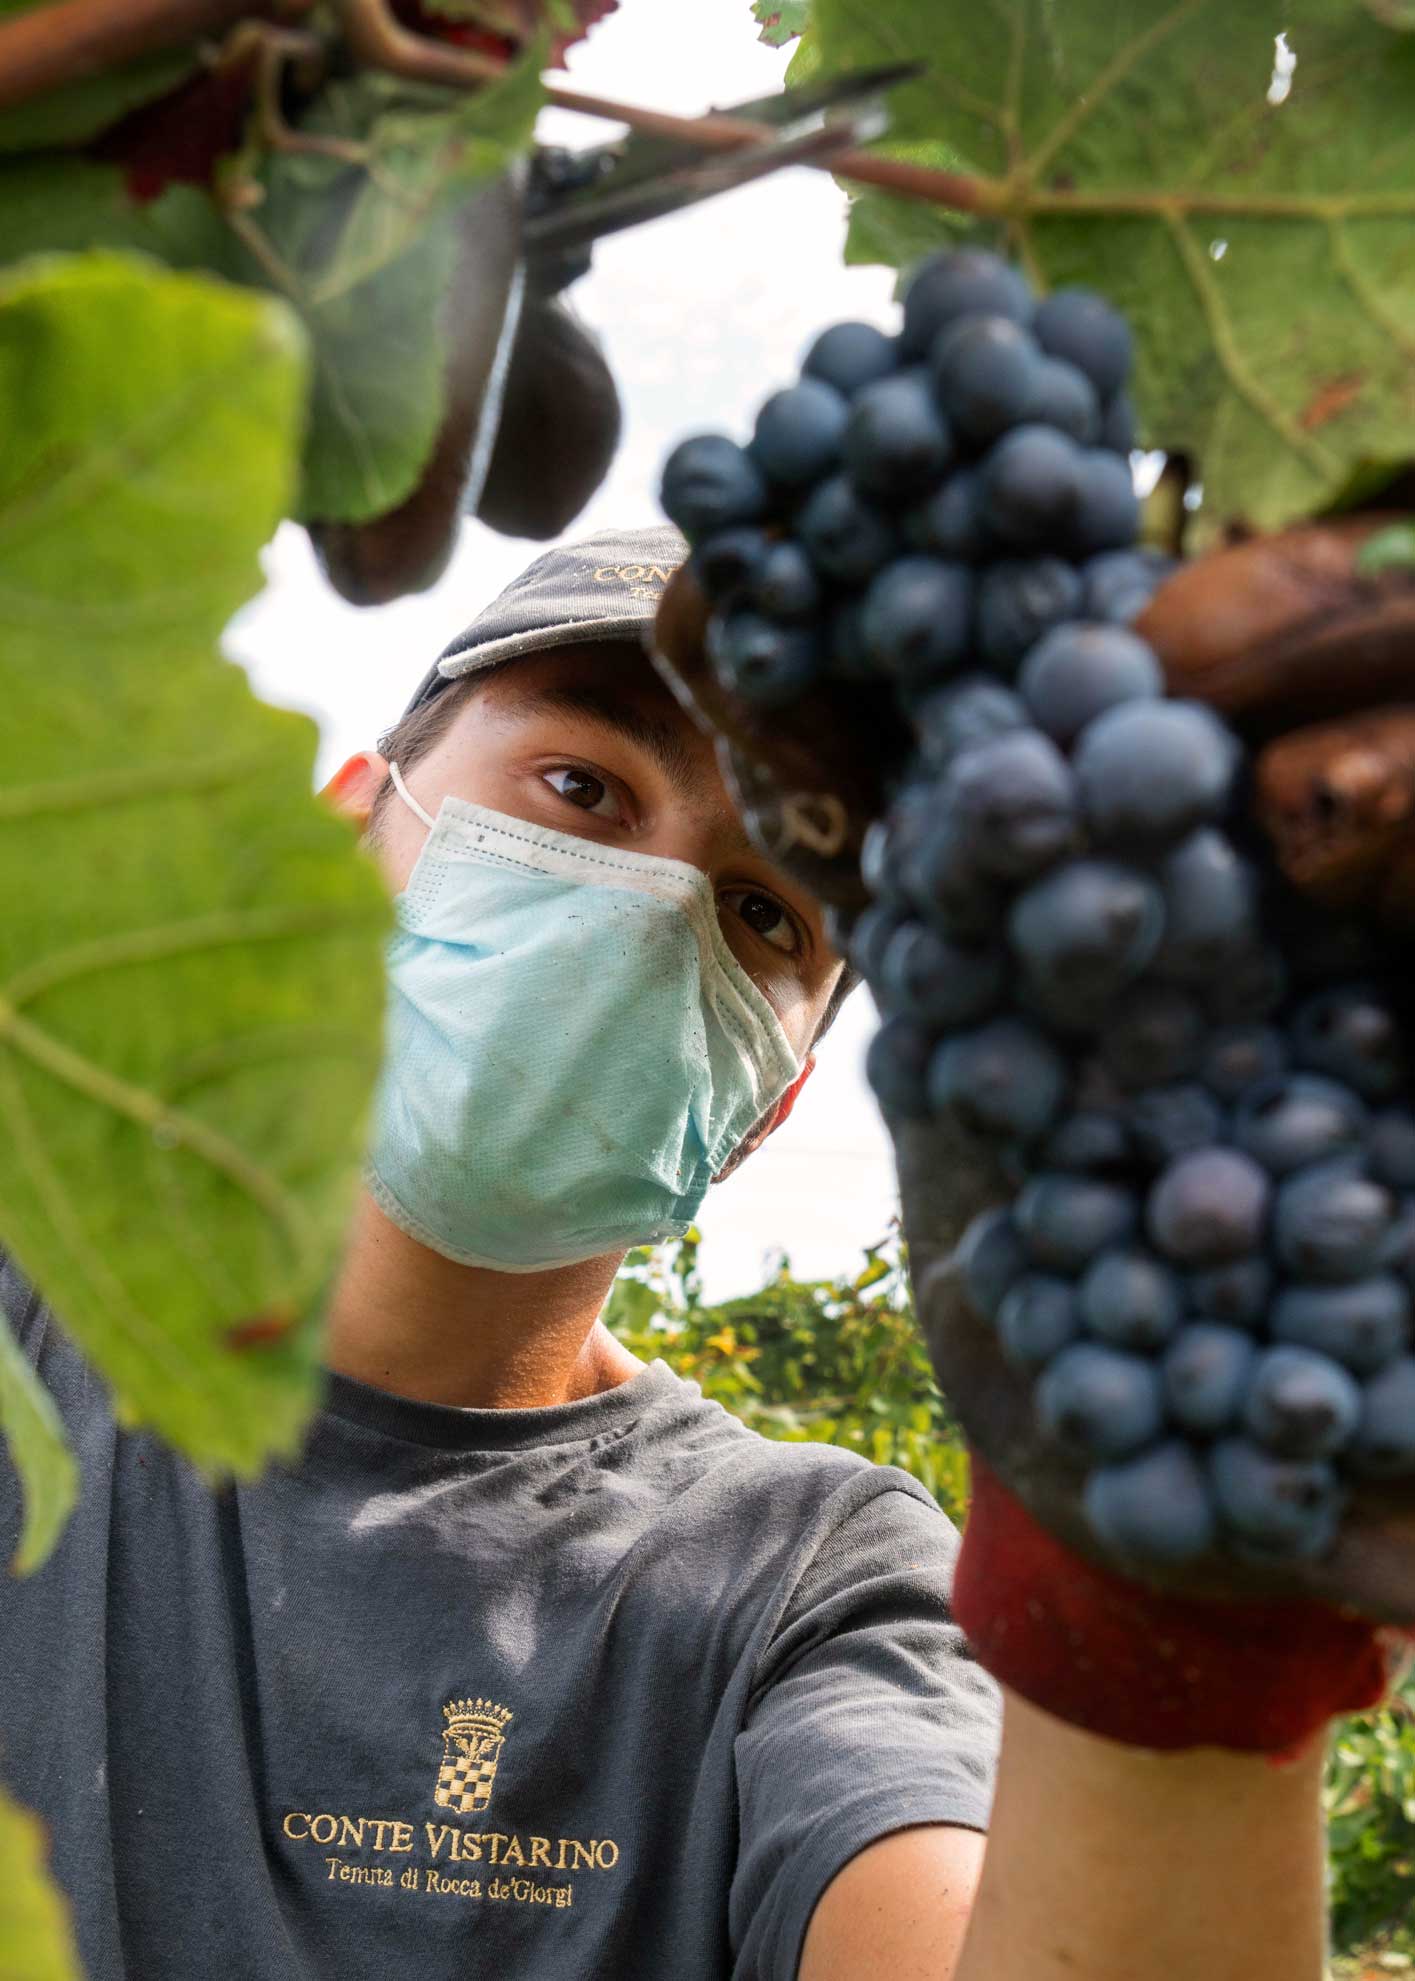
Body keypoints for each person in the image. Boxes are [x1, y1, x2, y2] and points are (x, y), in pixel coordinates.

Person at [0, 525, 1002, 1981]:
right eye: (586, 787)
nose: (656, 916)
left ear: (768, 1104)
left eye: (766, 907)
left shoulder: (808, 1579)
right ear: (348, 831)